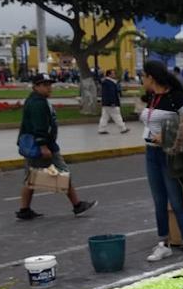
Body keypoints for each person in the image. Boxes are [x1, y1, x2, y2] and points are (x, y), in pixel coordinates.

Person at [140, 60, 183, 264]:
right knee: (159, 201)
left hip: (169, 155)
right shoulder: (153, 97)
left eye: (143, 76)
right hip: (151, 153)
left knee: (176, 201)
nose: (141, 80)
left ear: (151, 77)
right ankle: (163, 244)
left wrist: (167, 135)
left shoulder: (176, 97)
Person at [16, 75, 97, 220]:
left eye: (49, 85)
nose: (49, 88)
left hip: (37, 145)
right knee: (62, 172)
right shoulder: (38, 104)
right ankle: (77, 205)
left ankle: (24, 209)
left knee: (31, 177)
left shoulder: (36, 100)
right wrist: (43, 146)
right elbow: (39, 126)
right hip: (44, 146)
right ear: (36, 86)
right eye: (45, 85)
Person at [97, 69, 129, 134]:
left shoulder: (106, 82)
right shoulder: (110, 83)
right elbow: (111, 93)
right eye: (113, 73)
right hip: (111, 103)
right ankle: (123, 128)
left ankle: (101, 129)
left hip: (106, 103)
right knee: (116, 115)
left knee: (104, 117)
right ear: (109, 74)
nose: (114, 75)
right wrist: (113, 102)